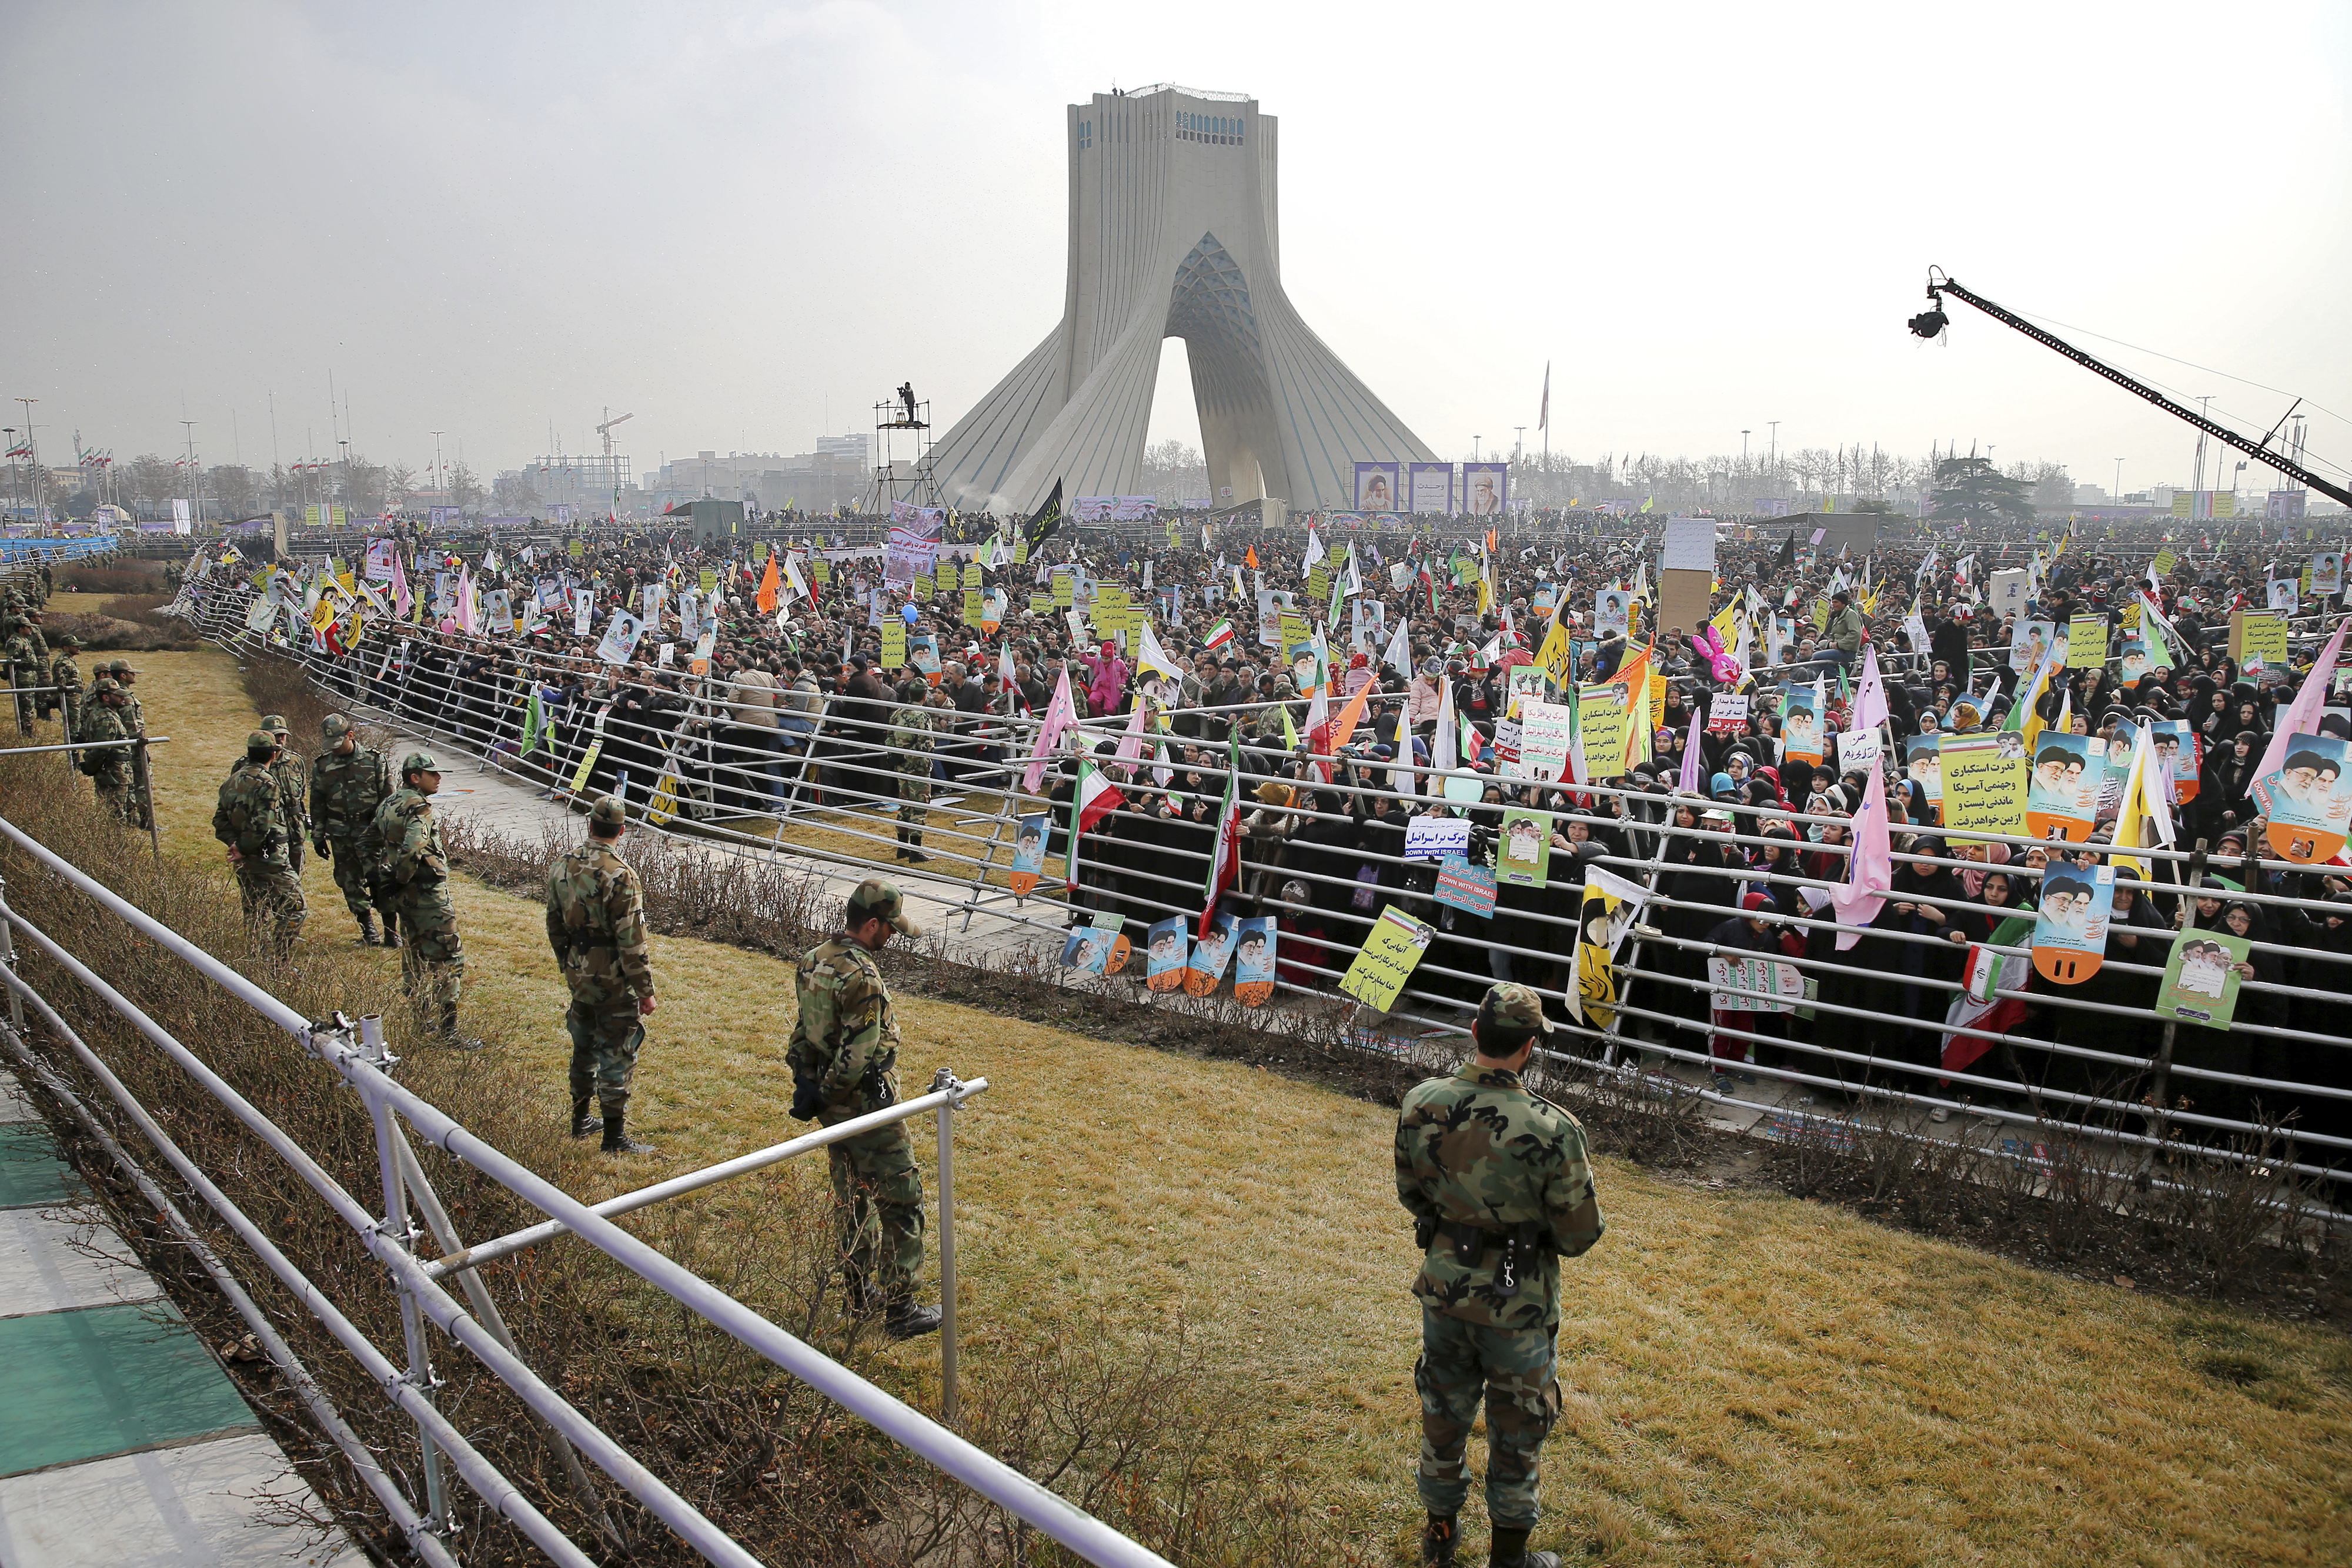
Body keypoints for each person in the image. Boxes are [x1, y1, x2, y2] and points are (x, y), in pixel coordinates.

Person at [1393, 983, 1606, 1568]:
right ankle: (1509, 1560)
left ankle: (1440, 1536)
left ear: (1474, 1033)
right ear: (1529, 1047)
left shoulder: (1422, 1102)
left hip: (1444, 1293)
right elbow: (1579, 1234)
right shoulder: (1552, 1128)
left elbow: (1412, 1194)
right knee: (1516, 1433)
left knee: (1443, 1414)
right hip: (1519, 1308)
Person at [783, 878, 944, 1340]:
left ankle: (858, 1295)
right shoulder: (864, 978)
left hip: (831, 1109)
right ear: (871, 924)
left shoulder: (814, 959)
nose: (892, 937)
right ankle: (901, 1308)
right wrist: (831, 1090)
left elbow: (803, 1031)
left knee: (851, 1196)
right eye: (889, 929)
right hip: (866, 1107)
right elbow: (857, 1055)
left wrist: (807, 1083)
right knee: (902, 1197)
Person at [545, 795, 660, 1154]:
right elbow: (632, 941)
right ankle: (614, 1137)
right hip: (612, 977)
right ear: (622, 831)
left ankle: (580, 1121)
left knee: (583, 1046)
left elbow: (554, 923)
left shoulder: (562, 864)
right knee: (617, 1051)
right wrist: (645, 990)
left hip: (578, 970)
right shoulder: (621, 874)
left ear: (590, 824)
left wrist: (568, 962)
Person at [376, 751, 482, 1051]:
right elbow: (413, 848)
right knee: (449, 959)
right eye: (432, 774)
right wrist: (401, 877)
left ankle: (421, 1022)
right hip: (427, 896)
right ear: (415, 777)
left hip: (404, 898)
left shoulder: (388, 804)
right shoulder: (419, 807)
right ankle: (449, 1033)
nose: (438, 778)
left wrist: (388, 880)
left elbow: (371, 842)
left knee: (414, 957)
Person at [212, 728, 308, 959]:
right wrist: (243, 847)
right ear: (273, 755)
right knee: (297, 908)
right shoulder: (268, 783)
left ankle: (257, 961)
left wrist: (235, 845)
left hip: (245, 861)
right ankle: (279, 961)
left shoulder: (231, 782)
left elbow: (219, 819)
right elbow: (262, 823)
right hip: (269, 858)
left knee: (255, 912)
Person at [309, 714, 399, 945]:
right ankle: (369, 931)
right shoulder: (322, 766)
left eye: (338, 744)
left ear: (350, 736)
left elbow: (388, 798)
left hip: (372, 834)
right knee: (349, 881)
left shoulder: (374, 761)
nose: (335, 750)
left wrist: (385, 830)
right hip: (341, 834)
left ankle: (392, 932)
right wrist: (318, 836)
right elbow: (317, 803)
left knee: (382, 879)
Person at [886, 685, 942, 862]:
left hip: (901, 768)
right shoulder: (922, 716)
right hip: (919, 769)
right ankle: (915, 852)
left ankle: (903, 848)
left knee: (905, 807)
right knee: (919, 808)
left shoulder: (898, 713)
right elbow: (926, 745)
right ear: (925, 696)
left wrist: (896, 755)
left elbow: (889, 738)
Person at [75, 677, 139, 823]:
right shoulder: (106, 719)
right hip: (113, 775)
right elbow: (102, 750)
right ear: (106, 697)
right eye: (118, 695)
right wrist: (90, 767)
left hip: (116, 773)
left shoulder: (102, 714)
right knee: (115, 816)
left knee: (120, 812)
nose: (123, 697)